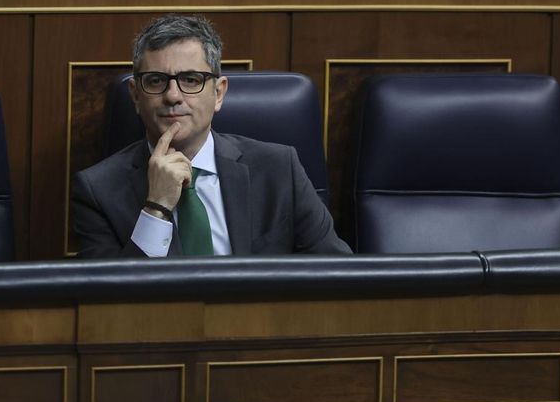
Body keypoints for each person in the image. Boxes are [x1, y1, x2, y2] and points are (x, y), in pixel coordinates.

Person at [71, 14, 351, 258]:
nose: (173, 96)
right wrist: (156, 207)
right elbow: (109, 297)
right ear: (135, 95)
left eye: (191, 80)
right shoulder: (97, 191)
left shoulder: (279, 169)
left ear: (218, 93)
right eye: (156, 81)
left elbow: (337, 277)